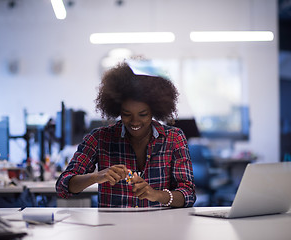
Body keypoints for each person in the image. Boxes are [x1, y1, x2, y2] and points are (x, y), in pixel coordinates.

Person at [56, 62, 196, 208]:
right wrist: (96, 177)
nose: (135, 121)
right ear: (117, 110)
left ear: (154, 111)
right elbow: (62, 187)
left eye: (143, 114)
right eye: (127, 114)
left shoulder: (174, 138)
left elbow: (188, 194)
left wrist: (155, 194)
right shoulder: (99, 138)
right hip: (112, 228)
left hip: (159, 227)